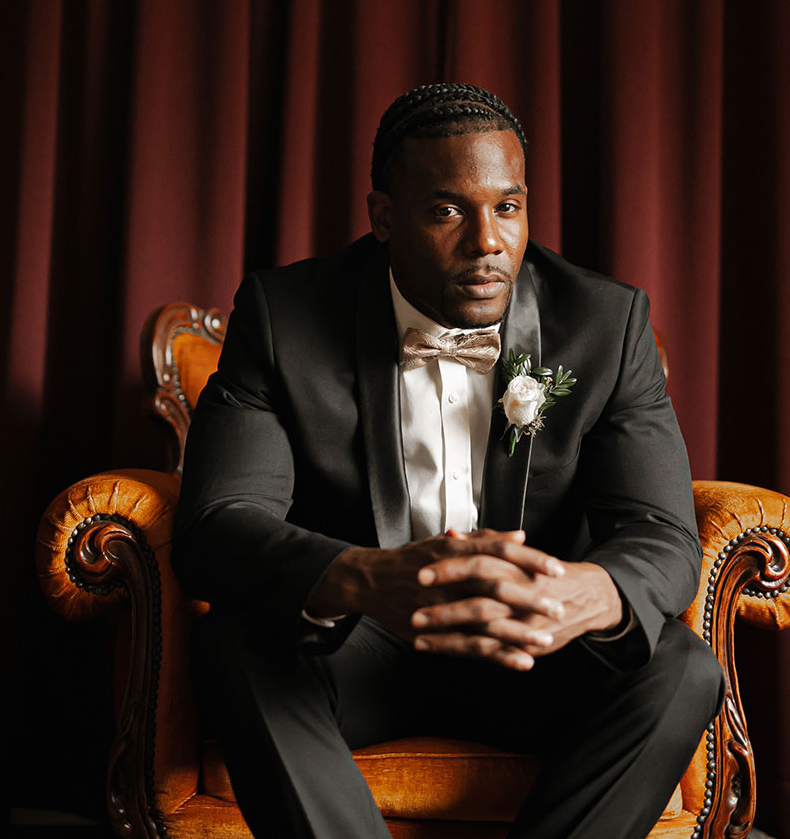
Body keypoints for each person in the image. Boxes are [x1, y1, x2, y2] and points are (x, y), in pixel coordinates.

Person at [172, 82, 724, 839]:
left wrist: (584, 593)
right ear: (384, 217)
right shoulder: (284, 316)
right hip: (357, 646)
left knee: (683, 668)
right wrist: (363, 577)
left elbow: (663, 533)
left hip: (534, 652)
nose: (488, 241)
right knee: (235, 645)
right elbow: (216, 525)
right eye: (446, 211)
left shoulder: (605, 322)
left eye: (508, 206)